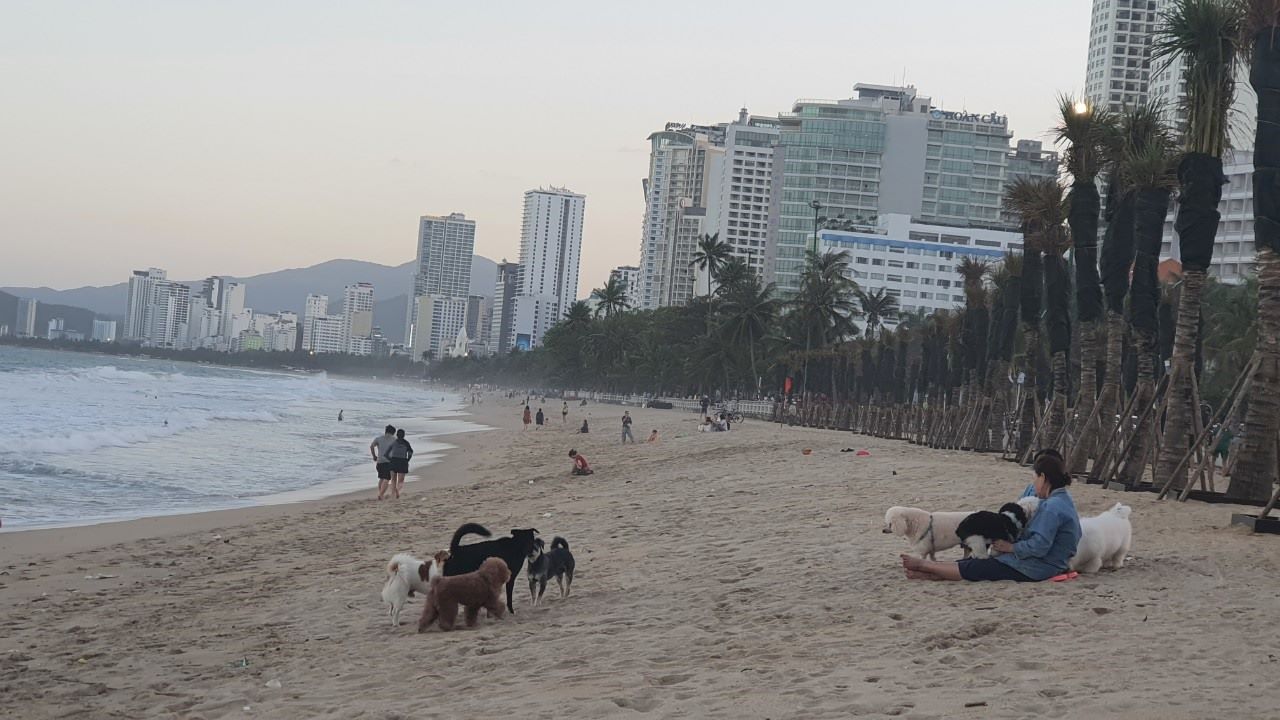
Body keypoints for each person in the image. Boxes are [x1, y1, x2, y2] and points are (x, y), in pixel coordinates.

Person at [902, 454, 1081, 582]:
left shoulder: (1052, 507)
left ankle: (925, 566)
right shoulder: (1064, 500)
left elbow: (1039, 547)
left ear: (1043, 478)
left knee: (982, 567)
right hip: (1052, 563)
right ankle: (933, 573)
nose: (1033, 485)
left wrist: (1011, 547)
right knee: (977, 564)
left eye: (1034, 478)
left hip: (1039, 567)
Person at [370, 425, 397, 501]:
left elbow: (371, 446)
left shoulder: (378, 439)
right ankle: (381, 494)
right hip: (388, 461)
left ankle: (380, 493)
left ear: (386, 431)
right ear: (393, 432)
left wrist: (374, 456)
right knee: (387, 478)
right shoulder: (394, 440)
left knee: (382, 478)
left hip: (380, 461)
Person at [386, 429, 414, 499]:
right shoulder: (406, 443)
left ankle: (393, 494)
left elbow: (386, 454)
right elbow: (410, 452)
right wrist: (407, 459)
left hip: (393, 461)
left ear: (397, 435)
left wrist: (390, 460)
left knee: (393, 480)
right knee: (401, 481)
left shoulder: (393, 443)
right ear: (404, 435)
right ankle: (397, 491)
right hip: (402, 461)